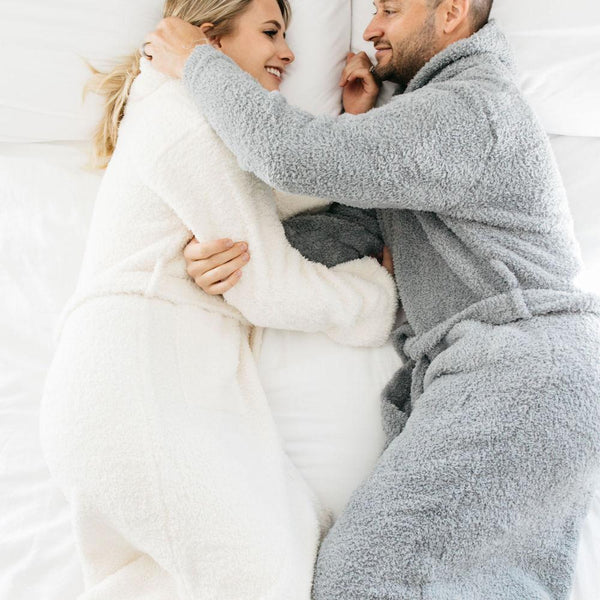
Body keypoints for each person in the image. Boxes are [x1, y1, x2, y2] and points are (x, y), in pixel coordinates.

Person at [144, 0, 600, 598]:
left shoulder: (471, 108)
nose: (371, 28)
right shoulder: (435, 122)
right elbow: (351, 233)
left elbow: (294, 156)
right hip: (538, 378)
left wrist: (201, 65)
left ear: (452, 12)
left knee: (363, 582)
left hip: (523, 367)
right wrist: (227, 254)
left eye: (389, 9)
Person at [38, 1, 399, 598]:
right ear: (206, 43)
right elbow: (275, 288)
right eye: (270, 33)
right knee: (266, 579)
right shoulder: (180, 116)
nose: (288, 53)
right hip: (133, 388)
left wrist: (355, 123)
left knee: (281, 552)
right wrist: (380, 293)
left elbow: (284, 196)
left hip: (139, 389)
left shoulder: (187, 121)